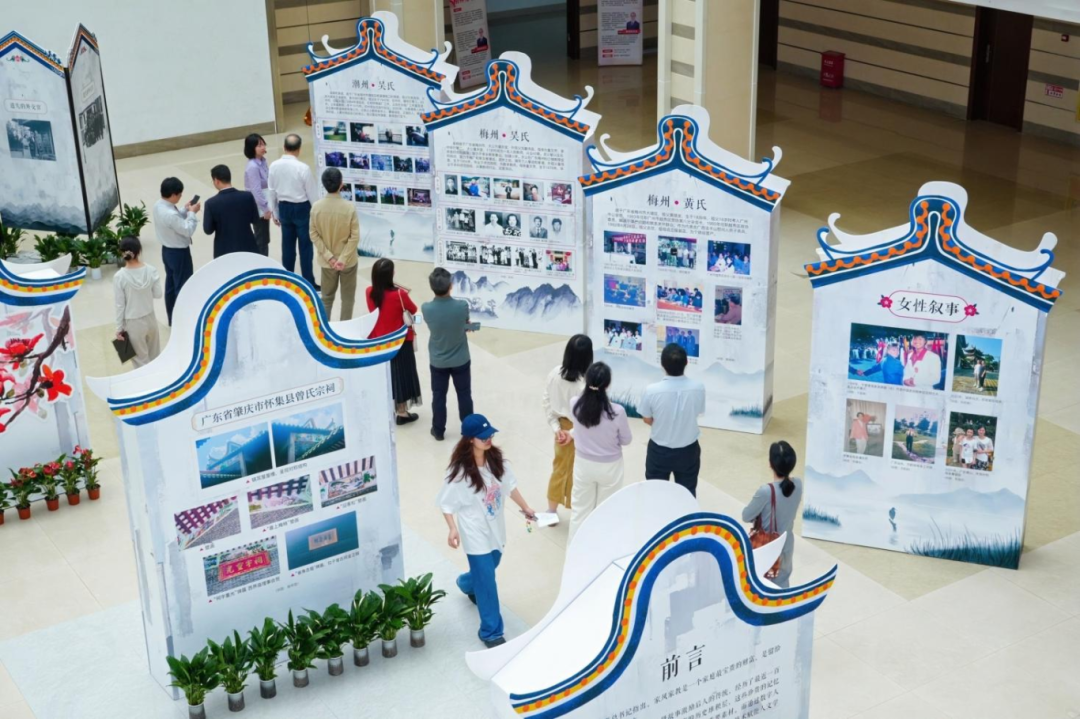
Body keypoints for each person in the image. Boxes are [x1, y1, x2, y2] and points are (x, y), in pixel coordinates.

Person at [437, 415, 536, 648]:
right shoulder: (460, 473)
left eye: (490, 434)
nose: (488, 439)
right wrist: (452, 528)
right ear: (470, 440)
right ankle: (491, 632)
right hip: (474, 531)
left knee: (491, 565)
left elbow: (510, 487)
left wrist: (526, 508)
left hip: (495, 529)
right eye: (483, 437)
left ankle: (466, 583)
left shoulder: (497, 462)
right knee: (488, 581)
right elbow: (446, 504)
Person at [568, 363, 632, 539]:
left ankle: (574, 551)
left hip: (583, 464)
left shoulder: (574, 404)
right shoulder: (617, 412)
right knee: (606, 512)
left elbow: (580, 428)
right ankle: (602, 550)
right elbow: (626, 440)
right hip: (610, 467)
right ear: (607, 385)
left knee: (579, 511)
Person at [640, 343, 706, 497]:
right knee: (687, 494)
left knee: (655, 494)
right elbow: (698, 412)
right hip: (688, 450)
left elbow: (646, 418)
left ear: (662, 365)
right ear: (686, 363)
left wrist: (662, 424)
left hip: (659, 451)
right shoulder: (698, 388)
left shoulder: (651, 391)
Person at [541, 335, 593, 514]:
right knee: (580, 471)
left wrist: (557, 429)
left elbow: (546, 401)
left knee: (559, 467)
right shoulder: (585, 384)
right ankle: (577, 508)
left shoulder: (554, 373)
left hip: (561, 428)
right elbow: (587, 416)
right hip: (581, 430)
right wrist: (572, 433)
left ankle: (551, 510)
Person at [366, 259, 421, 423]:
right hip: (399, 341)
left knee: (385, 376)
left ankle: (385, 409)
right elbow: (413, 309)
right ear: (390, 275)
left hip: (378, 341)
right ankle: (402, 412)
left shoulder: (369, 292)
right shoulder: (399, 295)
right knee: (401, 376)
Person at [742, 441, 803, 588]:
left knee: (765, 587)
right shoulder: (798, 484)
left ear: (770, 464)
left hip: (768, 546)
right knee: (783, 582)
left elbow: (746, 515)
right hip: (787, 543)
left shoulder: (766, 491)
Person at [422, 268, 474, 441]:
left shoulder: (426, 308)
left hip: (438, 361)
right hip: (461, 359)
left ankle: (438, 430)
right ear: (451, 285)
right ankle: (469, 431)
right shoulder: (462, 306)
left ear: (431, 287)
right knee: (464, 394)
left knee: (438, 396)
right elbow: (466, 325)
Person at [267, 133, 321, 290]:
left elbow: (271, 191)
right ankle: (308, 281)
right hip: (302, 208)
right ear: (299, 149)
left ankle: (287, 280)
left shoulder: (274, 166)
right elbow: (312, 194)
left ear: (284, 147)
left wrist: (274, 212)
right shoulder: (303, 168)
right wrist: (316, 215)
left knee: (287, 246)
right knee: (305, 247)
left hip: (284, 207)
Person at [310, 168, 360, 320]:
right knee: (348, 299)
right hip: (348, 262)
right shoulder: (349, 208)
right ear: (341, 184)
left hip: (327, 263)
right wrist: (342, 259)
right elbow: (355, 237)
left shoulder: (316, 207)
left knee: (326, 299)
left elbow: (313, 234)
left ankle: (325, 329)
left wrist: (329, 257)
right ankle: (345, 328)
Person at [152, 177, 199, 325]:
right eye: (179, 194)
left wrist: (185, 210)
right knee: (183, 286)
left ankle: (172, 318)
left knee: (171, 286)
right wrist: (192, 213)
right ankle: (183, 321)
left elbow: (174, 222)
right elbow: (187, 229)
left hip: (167, 251)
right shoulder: (170, 214)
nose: (180, 196)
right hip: (179, 253)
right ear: (173, 195)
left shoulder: (158, 205)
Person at [113, 236, 163, 369]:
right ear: (139, 251)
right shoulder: (151, 270)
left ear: (121, 252)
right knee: (155, 357)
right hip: (151, 318)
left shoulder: (119, 277)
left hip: (133, 323)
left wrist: (119, 328)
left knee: (140, 362)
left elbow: (120, 305)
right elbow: (158, 294)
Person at [203, 165, 260, 258]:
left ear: (216, 180)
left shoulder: (211, 203)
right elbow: (255, 220)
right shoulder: (247, 196)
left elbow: (208, 230)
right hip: (248, 247)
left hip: (224, 251)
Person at [243, 133, 272, 256]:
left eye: (263, 144)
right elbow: (256, 191)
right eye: (259, 145)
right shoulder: (253, 167)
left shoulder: (263, 161)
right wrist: (265, 209)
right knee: (261, 239)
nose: (263, 147)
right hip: (258, 207)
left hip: (264, 203)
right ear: (252, 148)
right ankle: (260, 262)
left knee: (264, 237)